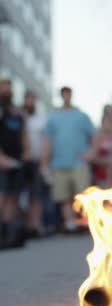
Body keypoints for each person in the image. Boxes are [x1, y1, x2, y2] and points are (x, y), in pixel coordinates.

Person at [42, 86, 95, 233]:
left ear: (71, 95)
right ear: (61, 96)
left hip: (79, 163)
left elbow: (95, 135)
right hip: (59, 163)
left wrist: (92, 152)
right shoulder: (53, 117)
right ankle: (70, 224)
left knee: (83, 195)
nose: (66, 96)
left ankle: (86, 223)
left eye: (68, 94)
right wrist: (44, 162)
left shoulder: (81, 116)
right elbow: (47, 140)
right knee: (63, 196)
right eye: (63, 94)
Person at [0, 79, 29, 248]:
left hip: (17, 162)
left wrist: (26, 151)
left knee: (12, 198)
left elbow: (23, 134)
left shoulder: (16, 112)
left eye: (8, 87)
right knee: (2, 197)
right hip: (2, 162)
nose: (6, 90)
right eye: (3, 87)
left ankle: (6, 233)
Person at [22, 91, 48, 237]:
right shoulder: (18, 117)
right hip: (21, 161)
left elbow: (46, 141)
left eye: (32, 99)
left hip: (37, 161)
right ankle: (21, 226)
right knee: (20, 195)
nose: (29, 102)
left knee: (37, 195)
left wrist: (44, 161)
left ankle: (35, 225)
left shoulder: (41, 119)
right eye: (27, 99)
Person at [90, 113, 112, 188]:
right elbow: (93, 157)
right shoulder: (98, 138)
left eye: (110, 123)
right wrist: (105, 161)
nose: (108, 125)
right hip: (101, 175)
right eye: (106, 123)